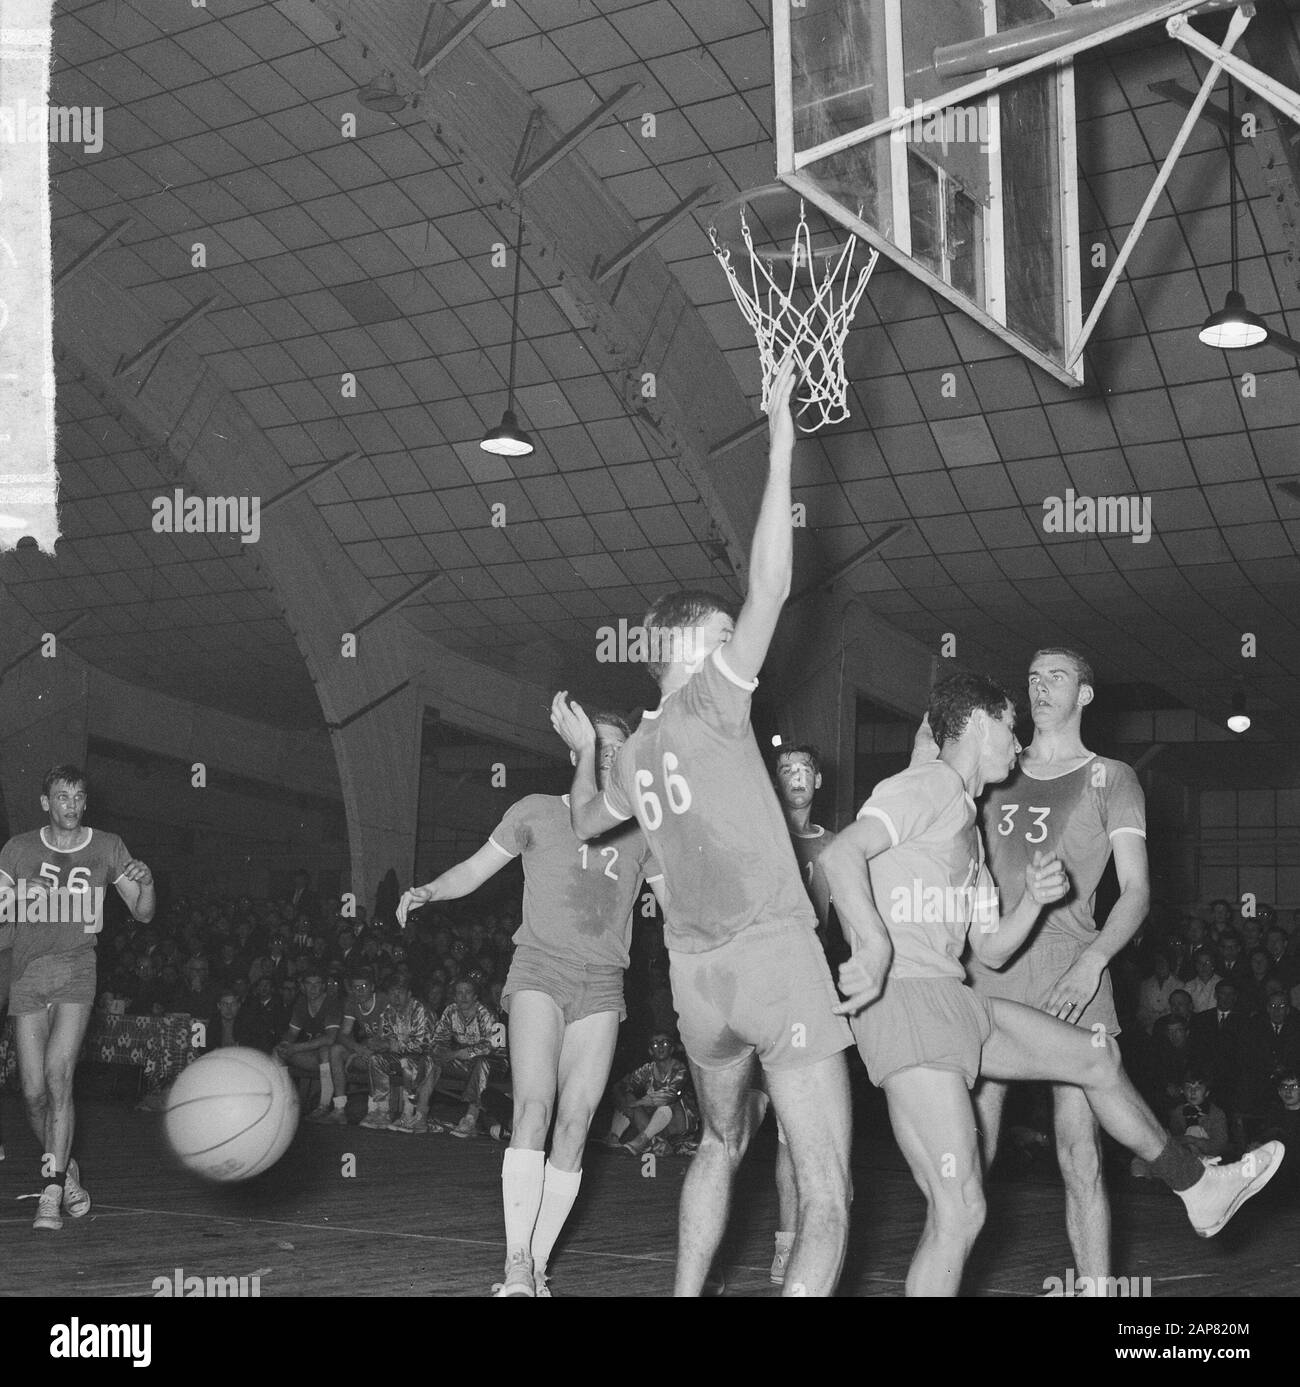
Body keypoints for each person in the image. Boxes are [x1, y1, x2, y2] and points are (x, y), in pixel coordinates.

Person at [821, 672, 1283, 1297]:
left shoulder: (969, 833)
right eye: (1010, 729)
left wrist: (1035, 904)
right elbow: (840, 855)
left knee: (1097, 1056)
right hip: (908, 1005)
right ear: (981, 724)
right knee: (961, 1210)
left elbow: (991, 946)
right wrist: (872, 944)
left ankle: (1198, 1187)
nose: (1018, 743)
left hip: (958, 1000)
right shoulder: (928, 785)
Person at [554, 356, 855, 1299]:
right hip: (770, 953)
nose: (738, 650)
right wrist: (778, 448)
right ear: (688, 649)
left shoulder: (637, 755)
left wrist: (579, 747)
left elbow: (586, 817)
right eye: (720, 640)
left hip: (695, 984)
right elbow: (769, 589)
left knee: (723, 1140)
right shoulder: (706, 707)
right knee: (829, 1191)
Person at [398, 712, 662, 1298]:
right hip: (540, 971)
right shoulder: (534, 811)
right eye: (598, 746)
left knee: (575, 1125)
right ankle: (515, 1265)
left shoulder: (645, 830)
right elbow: (474, 869)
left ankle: (536, 1270)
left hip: (602, 985)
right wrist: (428, 890)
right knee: (535, 1111)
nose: (609, 756)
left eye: (619, 747)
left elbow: (679, 908)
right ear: (575, 751)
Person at [962, 647, 1151, 1296]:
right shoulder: (992, 767)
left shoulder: (1113, 776)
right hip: (994, 970)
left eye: (1058, 677)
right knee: (969, 1156)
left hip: (1076, 979)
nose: (1042, 688)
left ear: (1086, 694)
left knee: (1081, 1154)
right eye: (1034, 678)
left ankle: (1097, 1293)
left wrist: (1095, 961)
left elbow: (1137, 892)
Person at [0, 765, 155, 1230]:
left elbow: (143, 915)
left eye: (78, 797)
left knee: (57, 1076)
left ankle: (50, 1191)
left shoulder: (107, 846)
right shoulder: (19, 848)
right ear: (46, 803)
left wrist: (146, 883)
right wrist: (20, 893)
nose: (71, 805)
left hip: (76, 971)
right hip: (27, 975)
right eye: (61, 797)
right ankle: (65, 1169)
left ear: (86, 802)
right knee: (31, 1094)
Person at [422, 977, 507, 1137]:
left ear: (475, 996)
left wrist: (458, 1053)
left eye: (468, 992)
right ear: (454, 996)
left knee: (482, 1063)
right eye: (459, 993)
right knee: (430, 1060)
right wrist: (440, 1052)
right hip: (466, 1062)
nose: (463, 997)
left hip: (495, 1063)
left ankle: (470, 1118)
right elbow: (438, 1038)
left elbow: (493, 1046)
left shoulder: (488, 1013)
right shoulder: (450, 1011)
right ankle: (419, 1113)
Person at [309, 969, 388, 1125]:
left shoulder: (382, 1000)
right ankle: (339, 1109)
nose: (359, 991)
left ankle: (374, 1111)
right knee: (335, 1050)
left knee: (374, 1055)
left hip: (389, 1050)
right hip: (367, 1048)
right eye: (356, 987)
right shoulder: (352, 1001)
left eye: (364, 986)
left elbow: (381, 1038)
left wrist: (361, 1050)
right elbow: (343, 1034)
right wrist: (357, 1049)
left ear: (372, 987)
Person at [605, 1032, 697, 1155]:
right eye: (655, 1044)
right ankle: (616, 1136)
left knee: (669, 1101)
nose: (659, 1047)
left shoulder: (680, 1069)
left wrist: (641, 1101)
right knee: (627, 1096)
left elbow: (670, 1094)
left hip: (679, 1124)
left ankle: (644, 1140)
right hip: (657, 1125)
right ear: (650, 1051)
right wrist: (627, 1099)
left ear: (672, 1049)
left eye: (664, 1043)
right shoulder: (647, 1070)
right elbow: (622, 1086)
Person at [273, 969, 342, 1109]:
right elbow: (292, 1032)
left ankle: (324, 1105)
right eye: (309, 984)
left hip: (338, 1057)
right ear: (303, 986)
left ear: (323, 986)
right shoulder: (301, 1003)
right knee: (278, 1051)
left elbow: (330, 1039)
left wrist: (296, 1048)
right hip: (312, 1055)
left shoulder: (332, 1003)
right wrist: (285, 1044)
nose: (313, 988)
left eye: (317, 984)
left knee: (324, 1050)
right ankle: (283, 1102)